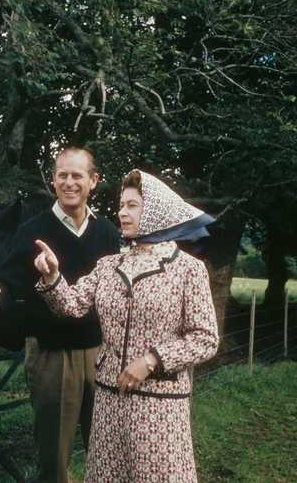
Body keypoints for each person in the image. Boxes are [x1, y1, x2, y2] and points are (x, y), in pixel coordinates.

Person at [33, 169, 219, 483]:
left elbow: (205, 338)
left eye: (132, 205)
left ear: (156, 211)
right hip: (107, 402)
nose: (121, 212)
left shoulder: (188, 269)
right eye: (121, 205)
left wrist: (151, 361)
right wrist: (52, 276)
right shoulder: (109, 265)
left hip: (159, 407)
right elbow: (71, 305)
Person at [0, 147, 120, 483]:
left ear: (93, 181)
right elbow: (8, 278)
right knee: (54, 457)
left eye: (77, 175)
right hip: (51, 354)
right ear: (53, 180)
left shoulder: (107, 233)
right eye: (62, 175)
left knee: (105, 450)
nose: (69, 182)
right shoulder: (33, 229)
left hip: (100, 354)